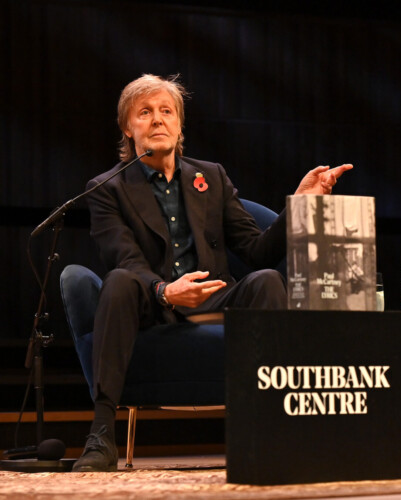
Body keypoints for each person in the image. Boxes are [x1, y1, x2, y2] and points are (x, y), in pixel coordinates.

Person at [72, 74, 352, 472]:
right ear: (127, 128)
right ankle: (101, 435)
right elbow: (126, 259)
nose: (157, 119)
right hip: (153, 302)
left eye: (166, 111)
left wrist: (299, 205)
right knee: (118, 282)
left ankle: (276, 430)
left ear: (179, 125)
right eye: (145, 112)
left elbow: (257, 251)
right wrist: (165, 291)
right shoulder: (106, 188)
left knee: (267, 280)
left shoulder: (212, 177)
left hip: (214, 294)